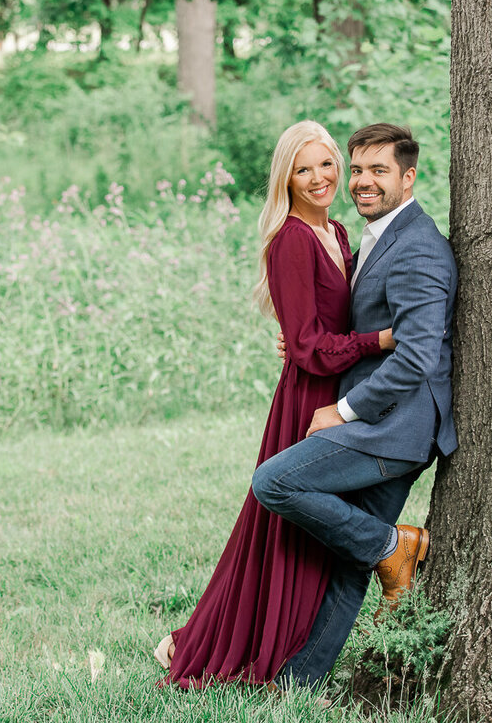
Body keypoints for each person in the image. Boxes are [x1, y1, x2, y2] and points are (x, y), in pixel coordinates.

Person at [154, 120, 396, 688]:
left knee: (304, 528)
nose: (318, 178)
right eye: (302, 169)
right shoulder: (290, 239)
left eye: (326, 164)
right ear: (286, 179)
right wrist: (380, 341)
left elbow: (324, 322)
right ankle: (208, 644)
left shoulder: (338, 232)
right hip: (308, 397)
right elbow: (310, 347)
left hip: (338, 392)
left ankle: (279, 642)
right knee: (283, 528)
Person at [251, 123, 457, 691]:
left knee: (275, 483)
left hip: (397, 427)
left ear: (409, 177)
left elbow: (414, 357)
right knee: (350, 561)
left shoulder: (418, 247)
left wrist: (343, 411)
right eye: (359, 168)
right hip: (386, 421)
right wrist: (300, 339)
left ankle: (397, 547)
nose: (363, 181)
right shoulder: (368, 235)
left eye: (379, 171)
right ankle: (299, 682)